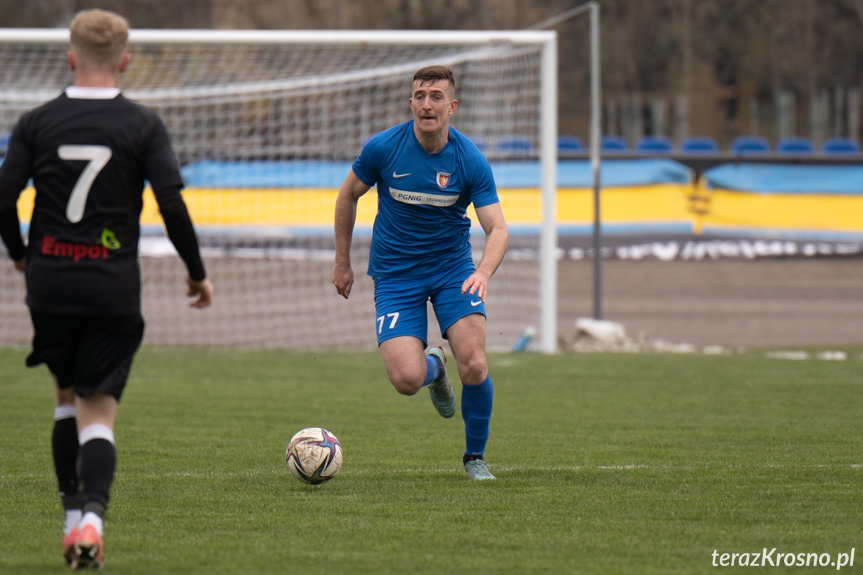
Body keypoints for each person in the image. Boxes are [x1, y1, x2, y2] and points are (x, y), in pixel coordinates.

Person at [0, 9, 213, 570]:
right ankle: (93, 517)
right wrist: (196, 271)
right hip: (111, 286)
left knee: (65, 398)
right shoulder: (142, 125)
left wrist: (21, 254)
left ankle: (72, 522)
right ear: (124, 61)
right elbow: (171, 204)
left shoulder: (36, 122)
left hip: (49, 282)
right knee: (99, 411)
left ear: (69, 57)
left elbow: (3, 200)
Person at [332, 65, 508, 481]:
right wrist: (342, 261)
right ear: (411, 103)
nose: (427, 104)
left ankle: (474, 459)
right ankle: (434, 370)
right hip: (395, 276)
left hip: (453, 272)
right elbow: (346, 196)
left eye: (436, 96)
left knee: (476, 363)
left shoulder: (469, 160)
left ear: (452, 106)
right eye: (420, 95)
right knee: (407, 379)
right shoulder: (384, 148)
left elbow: (497, 228)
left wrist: (482, 272)